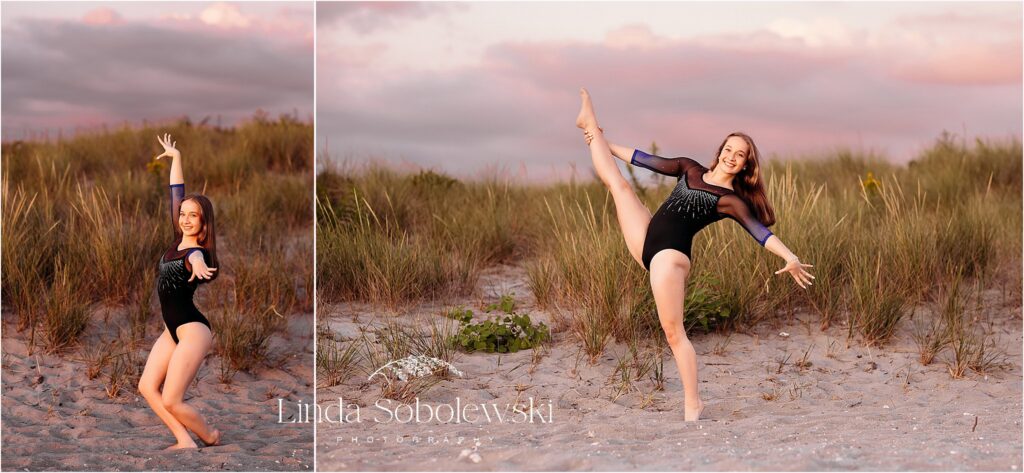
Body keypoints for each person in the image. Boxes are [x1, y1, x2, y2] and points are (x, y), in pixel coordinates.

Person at [575, 88, 815, 421]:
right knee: (620, 186)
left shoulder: (731, 199)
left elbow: (760, 232)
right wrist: (599, 139)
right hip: (647, 241)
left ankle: (693, 403)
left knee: (674, 333)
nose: (732, 156)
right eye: (728, 149)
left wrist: (788, 256)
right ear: (720, 151)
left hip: (671, 257)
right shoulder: (689, 168)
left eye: (740, 154)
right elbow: (641, 159)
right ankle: (590, 123)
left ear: (746, 164)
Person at [137, 133, 222, 449]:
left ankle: (209, 436)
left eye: (193, 216)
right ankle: (183, 439)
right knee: (147, 387)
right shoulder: (177, 240)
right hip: (170, 331)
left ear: (203, 223)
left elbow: (197, 257)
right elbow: (177, 192)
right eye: (183, 213)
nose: (185, 219)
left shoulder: (196, 253)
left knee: (172, 399)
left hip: (193, 331)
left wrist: (197, 258)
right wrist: (177, 158)